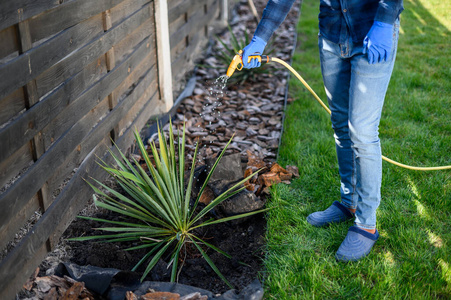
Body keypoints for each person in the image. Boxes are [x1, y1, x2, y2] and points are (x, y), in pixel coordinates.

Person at [242, 0, 403, 262]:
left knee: (362, 132)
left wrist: (385, 20)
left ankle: (366, 225)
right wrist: (261, 37)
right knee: (341, 124)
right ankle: (348, 202)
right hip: (332, 35)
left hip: (373, 31)